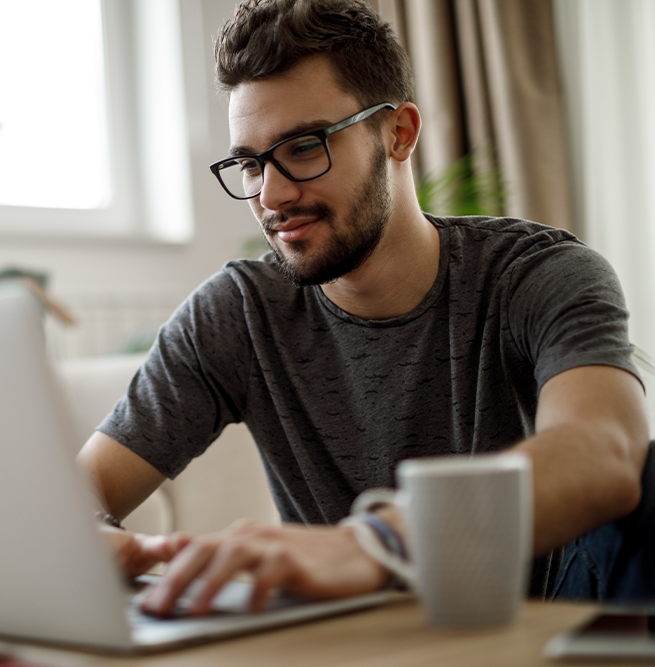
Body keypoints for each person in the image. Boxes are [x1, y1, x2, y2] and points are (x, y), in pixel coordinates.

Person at [77, 0, 649, 616]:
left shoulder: (536, 275)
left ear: (398, 133)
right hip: (348, 640)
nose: (271, 194)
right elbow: (79, 490)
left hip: (533, 621)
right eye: (249, 162)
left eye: (303, 147)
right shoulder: (238, 313)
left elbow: (607, 449)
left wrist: (376, 542)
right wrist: (85, 536)